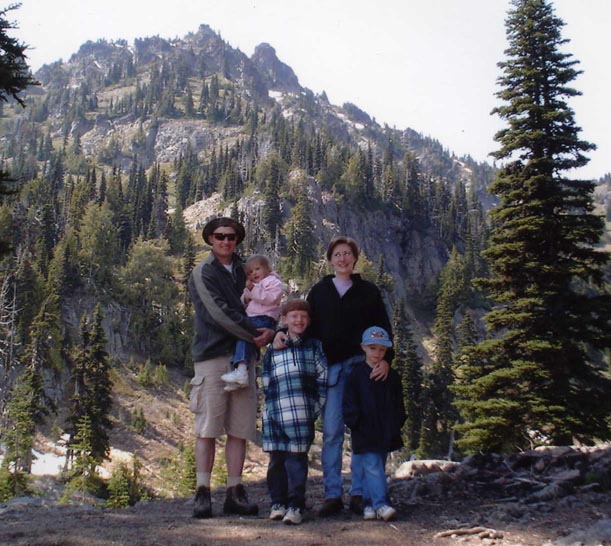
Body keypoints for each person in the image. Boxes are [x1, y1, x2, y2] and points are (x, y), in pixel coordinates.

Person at [275, 236, 394, 517]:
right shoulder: (320, 291)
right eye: (337, 254)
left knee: (363, 431)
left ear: (355, 258)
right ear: (330, 259)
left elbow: (383, 328)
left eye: (347, 253)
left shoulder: (369, 291)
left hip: (363, 369)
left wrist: (387, 360)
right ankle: (332, 494)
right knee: (331, 432)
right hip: (331, 370)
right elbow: (304, 324)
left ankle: (360, 493)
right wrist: (281, 332)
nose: (343, 259)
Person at [188, 217, 275, 519]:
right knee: (208, 428)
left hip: (244, 358)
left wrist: (272, 329)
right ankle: (202, 493)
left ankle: (235, 492)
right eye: (220, 236)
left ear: (237, 240)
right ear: (210, 239)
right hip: (212, 356)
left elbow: (269, 302)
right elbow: (217, 313)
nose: (226, 241)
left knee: (240, 428)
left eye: (231, 237)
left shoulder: (246, 270)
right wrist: (255, 334)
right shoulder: (203, 272)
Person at [261, 299, 327, 525]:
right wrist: (269, 406)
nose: (299, 320)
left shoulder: (314, 346)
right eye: (294, 316)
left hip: (301, 413)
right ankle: (277, 503)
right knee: (276, 460)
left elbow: (323, 378)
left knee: (297, 461)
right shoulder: (273, 348)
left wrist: (315, 407)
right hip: (275, 413)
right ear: (284, 320)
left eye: (304, 316)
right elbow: (266, 378)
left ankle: (296, 505)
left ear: (309, 320)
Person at [343, 326, 406, 522]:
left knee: (375, 466)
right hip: (363, 430)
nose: (377, 353)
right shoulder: (355, 374)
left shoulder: (392, 376)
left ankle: (368, 504)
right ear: (363, 347)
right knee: (372, 466)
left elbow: (398, 403)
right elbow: (349, 401)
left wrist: (396, 423)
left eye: (381, 349)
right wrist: (355, 422)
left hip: (385, 430)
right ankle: (381, 503)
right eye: (373, 348)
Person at [221, 254, 284, 391]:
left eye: (257, 269)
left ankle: (241, 372)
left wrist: (253, 290)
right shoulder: (253, 285)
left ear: (267, 268)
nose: (254, 273)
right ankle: (240, 372)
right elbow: (243, 302)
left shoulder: (273, 281)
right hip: (253, 317)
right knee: (241, 339)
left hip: (264, 317)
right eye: (250, 272)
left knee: (244, 336)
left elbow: (271, 298)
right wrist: (246, 298)